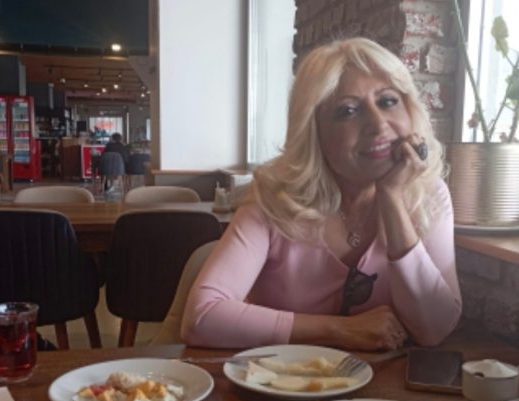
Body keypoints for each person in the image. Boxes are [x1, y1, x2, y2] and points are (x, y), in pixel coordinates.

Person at [181, 37, 462, 351]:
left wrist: (392, 199)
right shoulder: (273, 201)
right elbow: (200, 317)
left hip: (387, 382)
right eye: (348, 111)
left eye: (387, 101)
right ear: (313, 131)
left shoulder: (428, 195)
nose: (378, 124)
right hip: (280, 378)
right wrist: (338, 330)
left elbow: (435, 330)